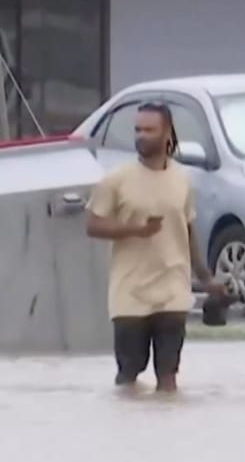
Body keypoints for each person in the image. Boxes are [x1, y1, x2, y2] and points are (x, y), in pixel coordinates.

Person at [86, 102, 225, 392]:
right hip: (130, 293)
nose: (141, 136)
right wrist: (136, 230)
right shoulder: (116, 180)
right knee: (129, 377)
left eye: (149, 130)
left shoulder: (182, 178)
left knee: (168, 376)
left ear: (167, 134)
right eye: (137, 129)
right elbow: (93, 226)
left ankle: (168, 430)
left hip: (173, 289)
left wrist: (206, 278)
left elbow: (187, 229)